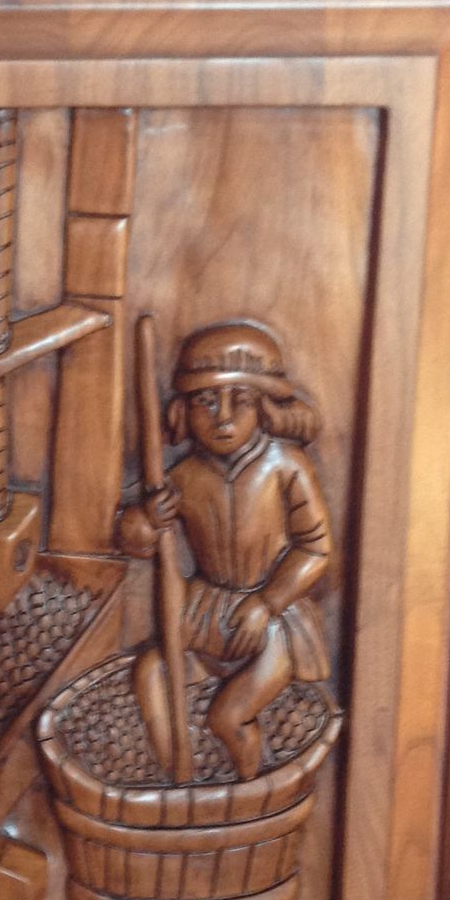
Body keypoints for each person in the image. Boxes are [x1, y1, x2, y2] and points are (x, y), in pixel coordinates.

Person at [117, 318, 332, 783]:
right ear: (183, 409)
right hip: (205, 611)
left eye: (242, 401)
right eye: (206, 401)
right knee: (152, 673)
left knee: (227, 718)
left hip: (272, 621)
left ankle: (248, 792)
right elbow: (133, 539)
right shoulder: (182, 476)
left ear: (266, 407)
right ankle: (177, 779)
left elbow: (315, 548)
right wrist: (148, 519)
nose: (223, 418)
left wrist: (267, 602)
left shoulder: (287, 467)